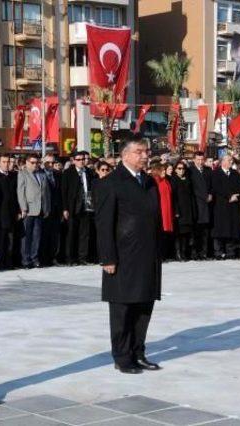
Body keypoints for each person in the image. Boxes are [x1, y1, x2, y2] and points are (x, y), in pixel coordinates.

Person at [95, 138, 162, 374]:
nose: (144, 156)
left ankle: (138, 352)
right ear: (125, 155)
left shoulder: (149, 182)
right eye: (139, 151)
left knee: (144, 305)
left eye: (146, 151)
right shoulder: (111, 183)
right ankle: (122, 356)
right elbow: (104, 224)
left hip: (147, 254)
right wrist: (108, 258)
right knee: (123, 308)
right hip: (123, 256)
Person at [61, 151, 95, 265]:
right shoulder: (67, 173)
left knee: (84, 233)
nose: (81, 161)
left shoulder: (89, 172)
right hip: (73, 207)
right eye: (79, 159)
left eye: (83, 159)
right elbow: (64, 192)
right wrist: (65, 208)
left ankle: (83, 257)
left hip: (86, 205)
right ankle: (70, 258)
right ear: (73, 160)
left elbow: (91, 189)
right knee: (71, 233)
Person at [17, 154, 50, 269]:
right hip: (29, 210)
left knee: (37, 236)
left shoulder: (41, 174)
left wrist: (47, 208)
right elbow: (21, 192)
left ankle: (34, 258)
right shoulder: (22, 174)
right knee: (26, 237)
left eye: (37, 162)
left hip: (40, 209)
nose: (35, 165)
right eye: (32, 162)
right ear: (26, 162)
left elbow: (46, 193)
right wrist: (23, 208)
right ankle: (26, 260)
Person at [211, 155, 240, 260]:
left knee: (231, 228)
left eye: (231, 160)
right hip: (220, 206)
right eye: (229, 160)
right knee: (219, 229)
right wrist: (228, 196)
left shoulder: (235, 174)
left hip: (233, 205)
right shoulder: (215, 173)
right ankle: (218, 252)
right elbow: (217, 187)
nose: (231, 162)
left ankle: (230, 251)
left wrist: (236, 195)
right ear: (223, 162)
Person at [0, 154, 20, 270]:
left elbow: (16, 196)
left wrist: (18, 211)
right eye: (4, 162)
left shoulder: (13, 176)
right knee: (0, 240)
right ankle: (0, 263)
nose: (6, 164)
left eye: (8, 162)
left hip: (11, 214)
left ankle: (9, 262)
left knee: (11, 240)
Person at [170, 160, 195, 261]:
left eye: (183, 168)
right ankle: (178, 253)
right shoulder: (174, 180)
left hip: (188, 209)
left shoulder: (187, 179)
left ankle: (184, 253)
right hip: (179, 210)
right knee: (178, 233)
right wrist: (176, 210)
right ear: (175, 170)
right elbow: (173, 197)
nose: (181, 170)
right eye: (179, 168)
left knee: (186, 233)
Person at [190, 151, 213, 260]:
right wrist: (204, 196)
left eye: (201, 160)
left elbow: (212, 185)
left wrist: (210, 194)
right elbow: (192, 188)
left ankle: (204, 252)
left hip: (207, 204)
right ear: (194, 160)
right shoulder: (190, 171)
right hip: (196, 204)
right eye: (198, 160)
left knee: (205, 230)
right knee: (196, 231)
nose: (200, 162)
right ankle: (195, 253)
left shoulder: (208, 171)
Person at [41, 154, 63, 266]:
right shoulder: (39, 174)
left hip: (56, 209)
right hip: (44, 209)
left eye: (52, 162)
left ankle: (54, 257)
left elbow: (61, 193)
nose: (50, 164)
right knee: (44, 235)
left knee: (55, 235)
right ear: (43, 162)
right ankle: (44, 259)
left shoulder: (58, 174)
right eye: (47, 162)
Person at [151, 162, 174, 260]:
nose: (164, 171)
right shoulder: (155, 181)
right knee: (160, 233)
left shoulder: (166, 181)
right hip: (160, 210)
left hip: (167, 210)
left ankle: (165, 254)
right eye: (162, 170)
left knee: (166, 234)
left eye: (165, 170)